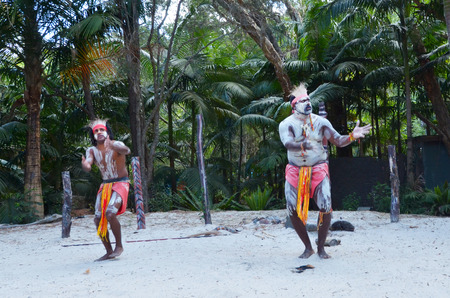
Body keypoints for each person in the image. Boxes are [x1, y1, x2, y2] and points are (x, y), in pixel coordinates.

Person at [279, 84, 371, 259]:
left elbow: (337, 140)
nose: (308, 103)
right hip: (295, 170)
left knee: (326, 207)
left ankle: (321, 247)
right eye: (303, 100)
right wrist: (301, 145)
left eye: (308, 99)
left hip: (318, 168)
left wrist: (352, 136)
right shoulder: (286, 124)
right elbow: (287, 143)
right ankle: (308, 247)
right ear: (294, 107)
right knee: (292, 210)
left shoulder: (321, 122)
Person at [81, 119, 131, 261]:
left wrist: (114, 145)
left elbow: (127, 150)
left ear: (107, 131)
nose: (99, 133)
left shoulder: (116, 144)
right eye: (96, 131)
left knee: (110, 212)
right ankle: (108, 250)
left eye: (101, 130)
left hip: (121, 183)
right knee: (97, 218)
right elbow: (88, 164)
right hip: (105, 185)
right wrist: (85, 165)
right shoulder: (92, 150)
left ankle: (119, 246)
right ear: (93, 135)